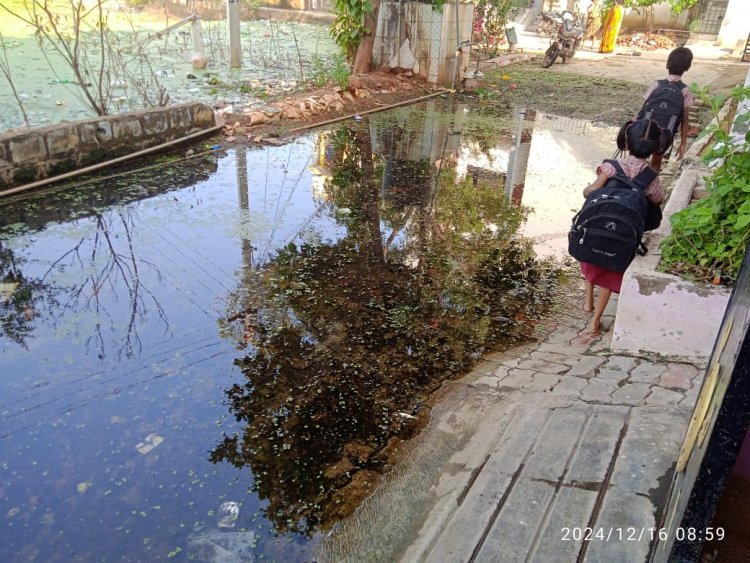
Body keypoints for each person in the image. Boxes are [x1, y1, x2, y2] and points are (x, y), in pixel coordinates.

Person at [580, 118, 672, 335]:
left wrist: (591, 191)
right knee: (610, 270)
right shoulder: (650, 176)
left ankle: (587, 302)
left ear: (626, 141)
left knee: (589, 257)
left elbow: (590, 191)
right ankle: (595, 321)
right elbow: (657, 200)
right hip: (623, 234)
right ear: (653, 148)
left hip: (598, 223)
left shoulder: (611, 166)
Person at [637, 47, 694, 173]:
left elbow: (643, 109)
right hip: (664, 135)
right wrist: (683, 144)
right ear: (687, 68)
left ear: (668, 64)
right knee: (656, 162)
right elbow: (684, 120)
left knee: (637, 159)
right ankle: (651, 188)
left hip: (644, 131)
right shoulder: (685, 91)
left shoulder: (656, 84)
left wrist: (634, 124)